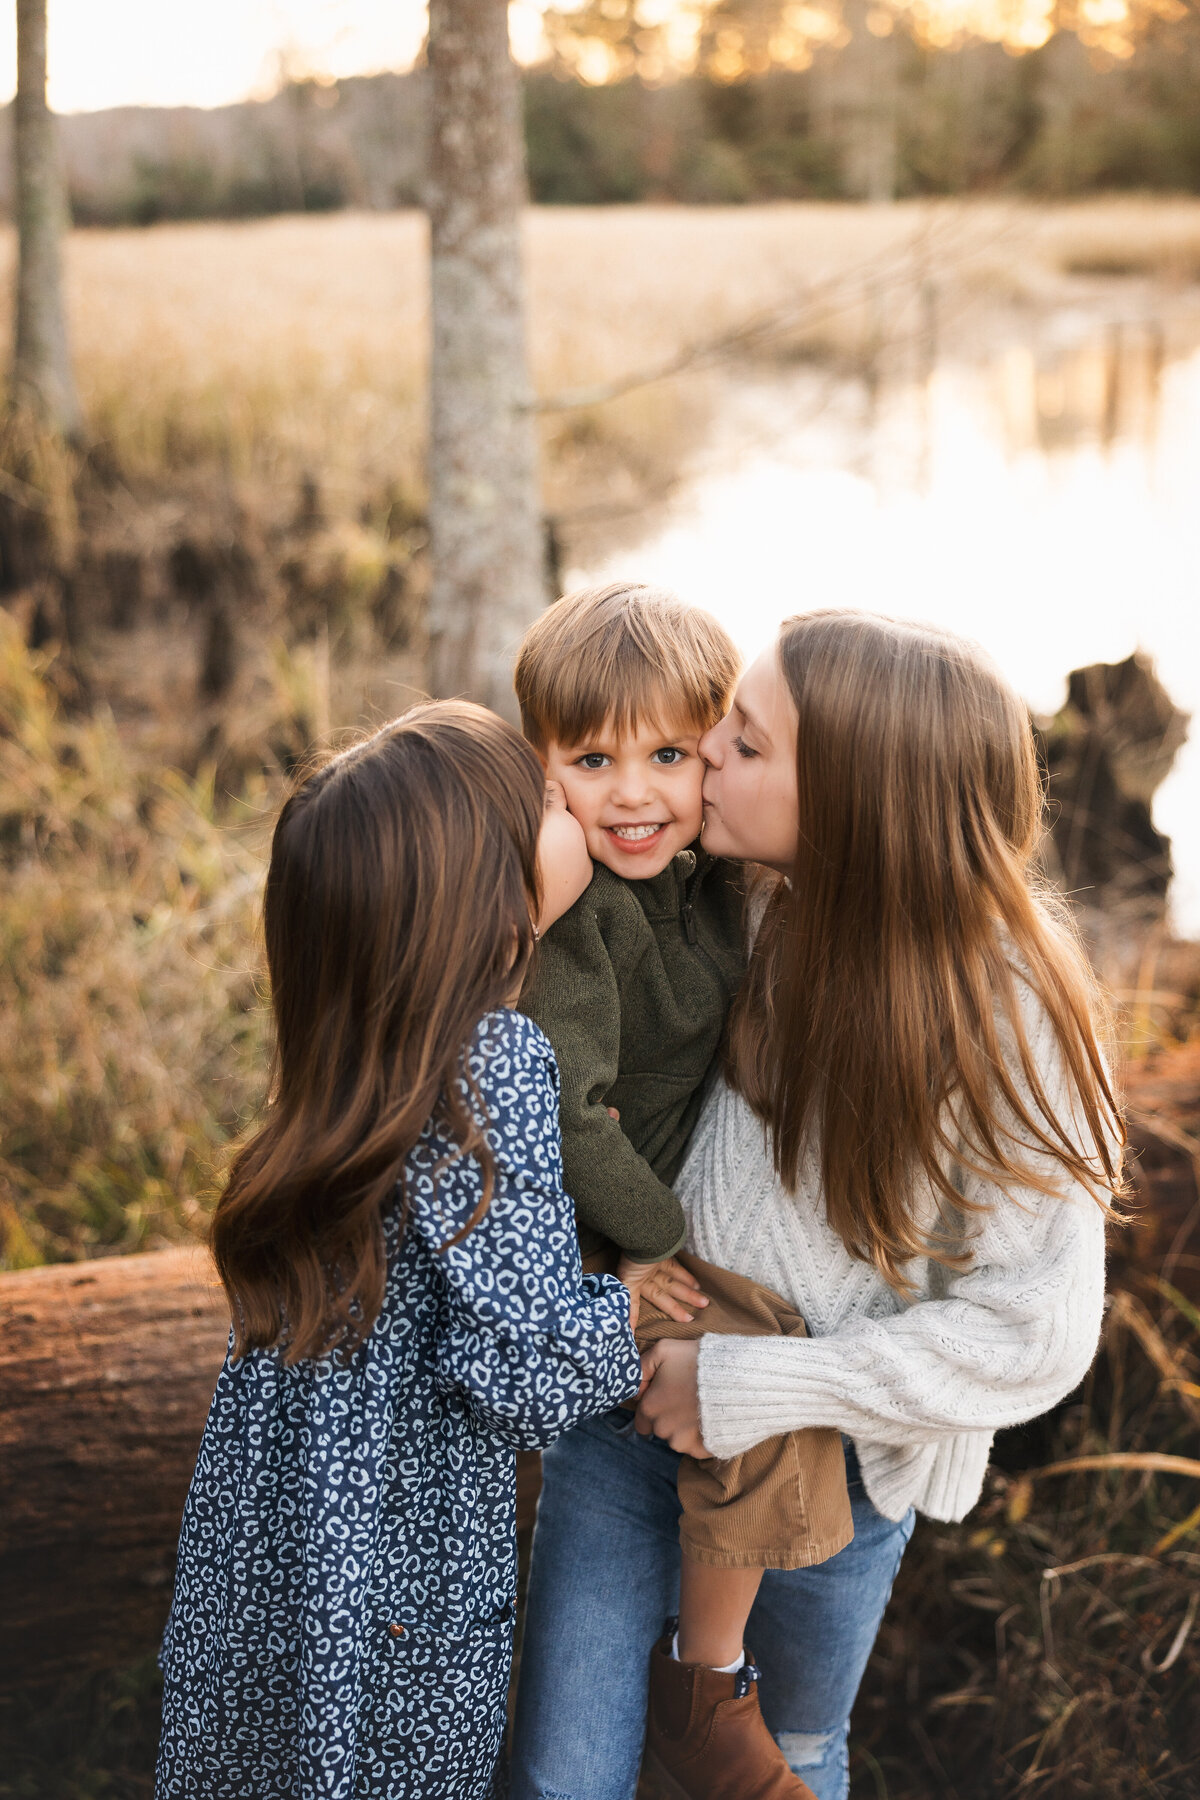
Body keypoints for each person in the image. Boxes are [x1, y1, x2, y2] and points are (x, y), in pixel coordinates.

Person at [512, 611, 1125, 1800]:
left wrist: (755, 1388)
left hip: (842, 1462)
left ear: (849, 794)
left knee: (785, 1758)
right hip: (634, 1416)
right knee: (565, 1773)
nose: (706, 757)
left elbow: (1037, 1334)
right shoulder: (733, 895)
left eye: (741, 742)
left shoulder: (1012, 1019)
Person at [154, 702, 642, 1800]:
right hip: (397, 1595)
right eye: (556, 803)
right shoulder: (494, 1064)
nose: (584, 809)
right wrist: (629, 1309)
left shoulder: (341, 1072)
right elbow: (525, 1375)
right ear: (492, 904)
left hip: (264, 1569)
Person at [513, 585, 853, 1800]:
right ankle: (704, 1699)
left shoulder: (713, 882)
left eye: (670, 753)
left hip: (654, 1233)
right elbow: (569, 1115)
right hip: (603, 1239)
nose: (637, 792)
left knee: (764, 1386)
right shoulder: (578, 920)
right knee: (761, 1379)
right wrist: (650, 1239)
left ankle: (708, 1679)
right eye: (592, 759)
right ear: (542, 768)